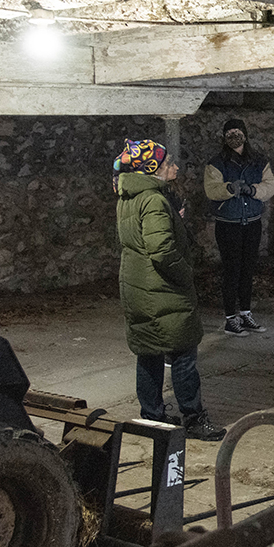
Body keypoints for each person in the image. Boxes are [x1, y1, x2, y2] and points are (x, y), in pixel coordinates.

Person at [113, 139, 225, 441]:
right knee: (184, 353)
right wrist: (184, 274)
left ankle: (152, 418)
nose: (175, 166)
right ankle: (193, 417)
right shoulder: (153, 200)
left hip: (138, 286)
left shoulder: (129, 195)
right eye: (168, 163)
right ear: (153, 169)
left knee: (148, 353)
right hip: (161, 290)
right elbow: (161, 249)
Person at [204, 118, 274, 337]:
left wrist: (253, 191)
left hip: (251, 223)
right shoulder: (216, 163)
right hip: (229, 225)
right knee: (232, 271)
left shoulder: (259, 161)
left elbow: (270, 185)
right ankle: (230, 319)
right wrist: (229, 188)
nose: (234, 135)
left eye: (237, 131)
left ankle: (245, 313)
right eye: (230, 132)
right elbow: (211, 189)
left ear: (245, 134)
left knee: (247, 270)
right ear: (224, 137)